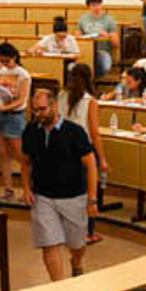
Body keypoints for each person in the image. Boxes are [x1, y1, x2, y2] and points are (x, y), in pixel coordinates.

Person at [20, 88, 98, 281]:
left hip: (73, 196)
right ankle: (58, 288)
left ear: (55, 106)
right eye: (35, 110)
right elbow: (25, 162)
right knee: (50, 244)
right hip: (43, 197)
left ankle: (77, 262)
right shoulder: (31, 130)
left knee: (77, 244)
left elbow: (91, 166)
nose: (38, 114)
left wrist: (92, 200)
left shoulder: (75, 132)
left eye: (42, 109)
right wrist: (26, 188)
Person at [57, 62, 107, 245]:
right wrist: (102, 158)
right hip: (83, 150)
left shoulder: (61, 96)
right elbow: (94, 132)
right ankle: (88, 232)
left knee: (67, 190)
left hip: (62, 149)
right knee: (87, 191)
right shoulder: (90, 101)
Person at [0, 42, 31, 199]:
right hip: (0, 114)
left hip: (14, 116)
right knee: (2, 153)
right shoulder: (1, 71)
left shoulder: (23, 74)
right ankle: (8, 189)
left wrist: (5, 108)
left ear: (14, 57)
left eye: (6, 61)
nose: (4, 64)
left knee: (19, 154)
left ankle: (27, 187)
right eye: (1, 60)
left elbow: (21, 100)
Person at [76, 0, 119, 77]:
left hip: (102, 52)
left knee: (103, 66)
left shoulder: (109, 20)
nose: (97, 7)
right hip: (86, 51)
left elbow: (116, 44)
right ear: (88, 6)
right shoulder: (83, 18)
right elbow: (78, 37)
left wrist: (108, 36)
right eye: (93, 5)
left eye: (98, 4)